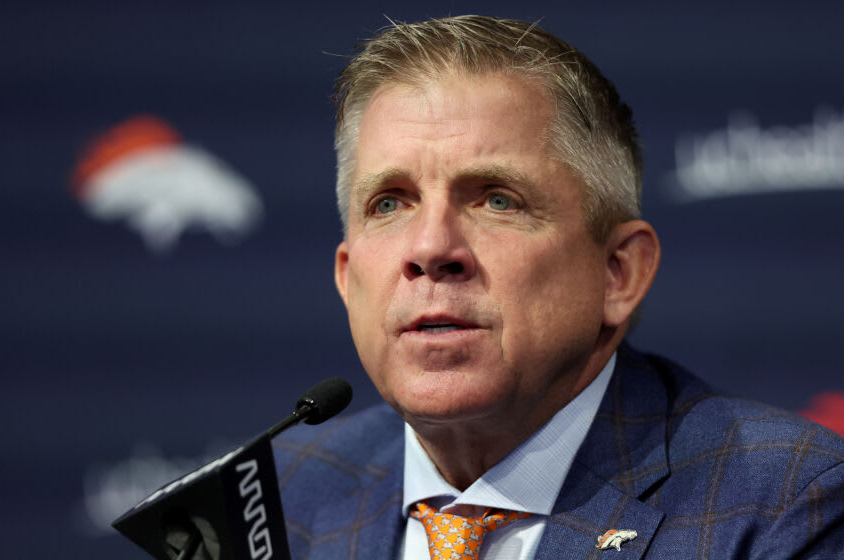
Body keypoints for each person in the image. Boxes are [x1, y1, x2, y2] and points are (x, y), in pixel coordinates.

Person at [273, 15, 844, 559]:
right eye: (390, 203)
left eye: (497, 199)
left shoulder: (781, 506)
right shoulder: (279, 497)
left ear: (619, 272)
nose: (429, 249)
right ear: (348, 278)